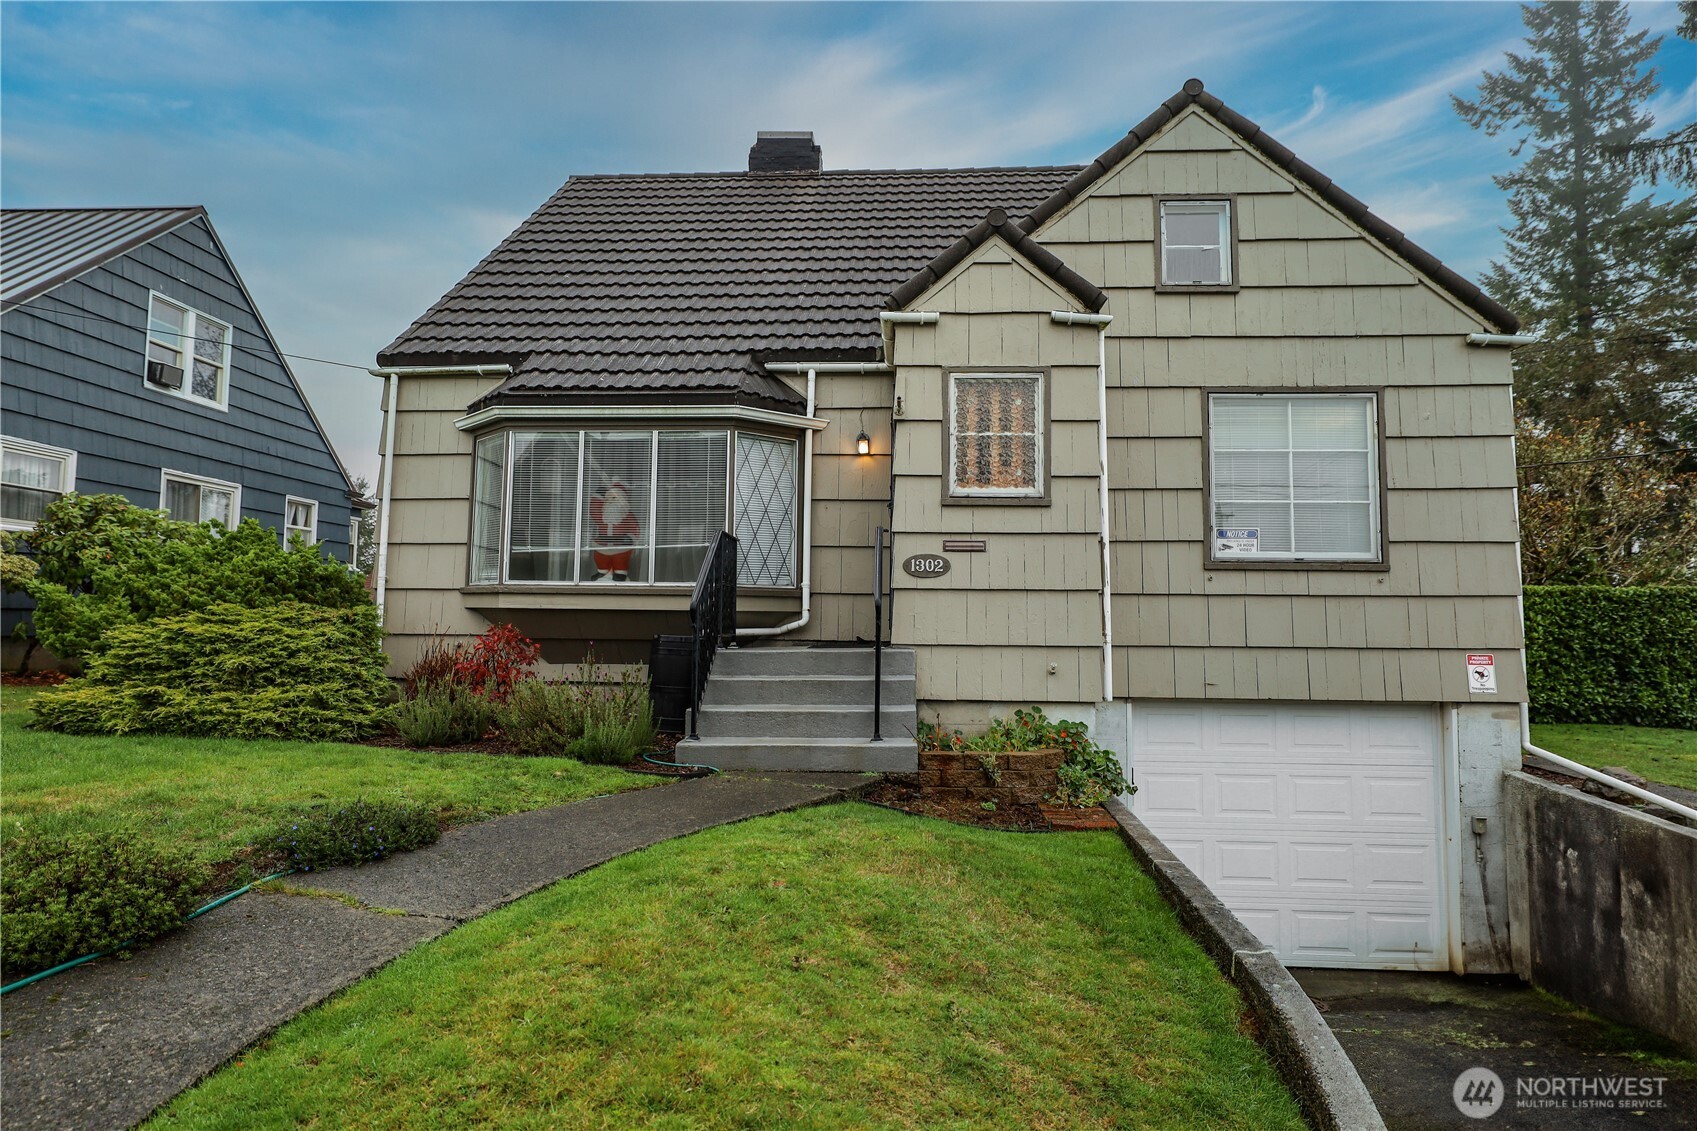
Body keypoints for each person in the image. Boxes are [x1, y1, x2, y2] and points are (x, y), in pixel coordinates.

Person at [588, 481, 639, 581]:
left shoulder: (627, 517)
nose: (610, 501)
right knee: (600, 558)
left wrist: (630, 538)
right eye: (608, 498)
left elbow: (635, 528)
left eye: (614, 498)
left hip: (620, 546)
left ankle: (620, 573)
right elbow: (594, 510)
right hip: (602, 545)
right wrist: (599, 493)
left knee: (620, 560)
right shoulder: (602, 515)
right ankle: (602, 572)